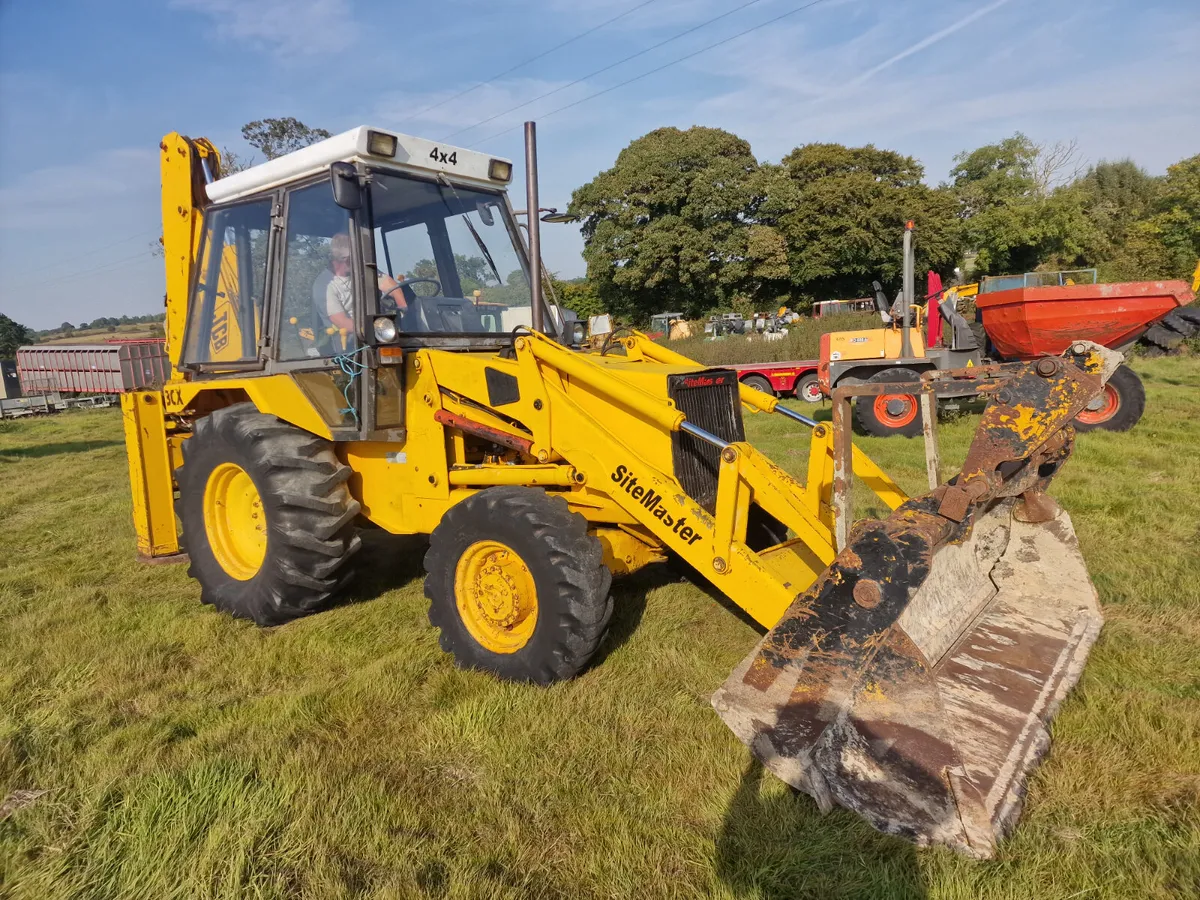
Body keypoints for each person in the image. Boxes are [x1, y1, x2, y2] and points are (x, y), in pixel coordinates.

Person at [311, 233, 409, 342]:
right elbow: (342, 322)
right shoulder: (324, 285)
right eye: (356, 257)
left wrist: (404, 309)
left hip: (376, 333)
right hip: (347, 343)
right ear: (345, 259)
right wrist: (379, 330)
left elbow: (393, 288)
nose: (360, 260)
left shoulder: (361, 269)